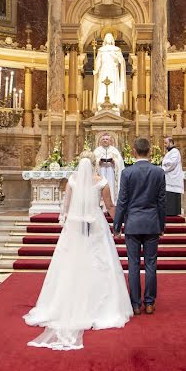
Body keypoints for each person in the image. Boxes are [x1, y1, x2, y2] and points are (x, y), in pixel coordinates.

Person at [23, 150, 132, 350]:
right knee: (100, 262)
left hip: (74, 225)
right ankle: (99, 306)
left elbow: (66, 205)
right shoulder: (101, 182)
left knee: (70, 263)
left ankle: (64, 304)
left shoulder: (72, 180)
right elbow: (109, 206)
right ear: (94, 163)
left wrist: (64, 220)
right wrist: (118, 226)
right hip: (96, 224)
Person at [114, 137, 166, 315]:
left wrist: (117, 227)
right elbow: (161, 202)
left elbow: (122, 201)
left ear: (134, 151)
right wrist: (161, 225)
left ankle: (135, 304)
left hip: (133, 224)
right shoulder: (158, 172)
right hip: (152, 223)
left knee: (133, 265)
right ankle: (149, 303)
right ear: (150, 151)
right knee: (151, 264)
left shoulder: (127, 173)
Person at [93, 33, 126, 109]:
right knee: (103, 85)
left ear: (112, 39)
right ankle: (102, 102)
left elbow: (121, 61)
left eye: (110, 37)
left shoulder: (116, 50)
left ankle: (114, 102)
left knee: (113, 85)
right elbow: (98, 61)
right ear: (104, 39)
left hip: (113, 70)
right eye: (107, 37)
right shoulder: (101, 50)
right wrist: (96, 69)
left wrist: (116, 57)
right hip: (104, 70)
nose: (108, 38)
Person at [93, 133, 123, 204]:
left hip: (111, 172)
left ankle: (111, 203)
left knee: (110, 186)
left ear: (110, 141)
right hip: (100, 172)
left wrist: (114, 161)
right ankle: (100, 204)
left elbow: (120, 162)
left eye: (107, 139)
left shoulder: (114, 150)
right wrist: (98, 162)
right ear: (100, 141)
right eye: (103, 139)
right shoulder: (97, 151)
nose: (105, 140)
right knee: (100, 186)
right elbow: (93, 162)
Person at [161, 136, 184, 216]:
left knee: (172, 197)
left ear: (171, 143)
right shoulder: (170, 152)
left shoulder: (175, 152)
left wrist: (162, 167)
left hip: (173, 179)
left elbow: (172, 163)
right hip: (170, 178)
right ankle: (170, 213)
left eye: (166, 143)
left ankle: (172, 213)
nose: (164, 145)